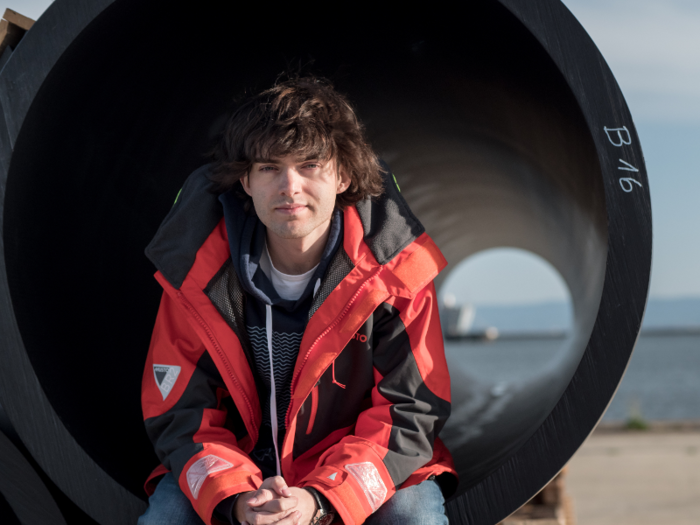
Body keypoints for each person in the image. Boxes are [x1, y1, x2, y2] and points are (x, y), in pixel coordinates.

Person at [139, 77, 457, 525]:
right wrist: (233, 497)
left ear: (343, 175)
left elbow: (409, 411)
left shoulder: (395, 272)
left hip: (359, 466)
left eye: (310, 165)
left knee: (413, 516)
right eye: (269, 168)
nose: (290, 186)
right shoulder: (196, 273)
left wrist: (322, 500)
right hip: (238, 468)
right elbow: (180, 410)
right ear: (245, 181)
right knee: (167, 517)